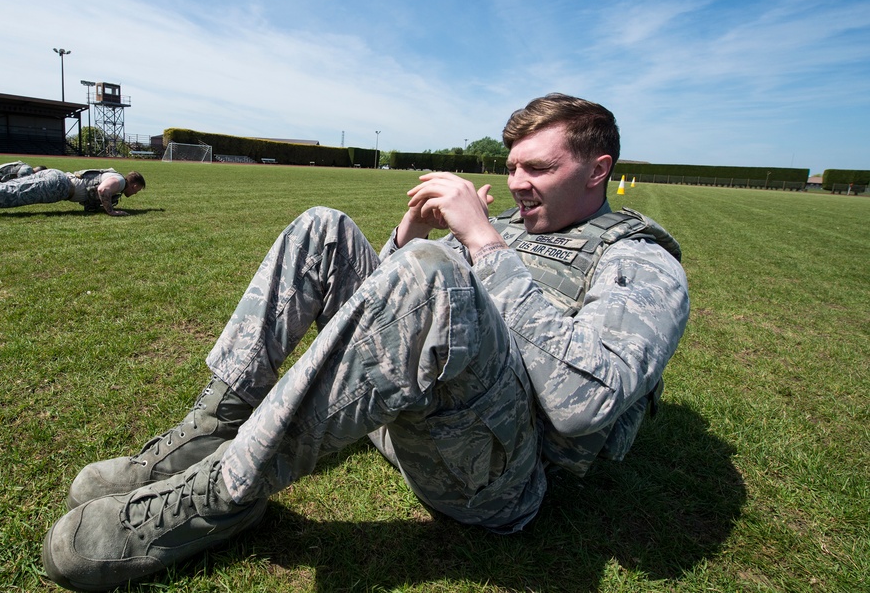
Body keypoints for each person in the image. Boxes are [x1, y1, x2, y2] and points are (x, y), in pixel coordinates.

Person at [41, 93, 690, 591]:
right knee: (323, 228)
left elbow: (581, 404)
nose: (517, 183)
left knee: (435, 271)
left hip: (495, 482)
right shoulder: (515, 228)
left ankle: (220, 498)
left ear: (598, 168)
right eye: (513, 165)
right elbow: (387, 301)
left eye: (539, 168)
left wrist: (483, 244)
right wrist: (410, 232)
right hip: (411, 420)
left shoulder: (638, 261)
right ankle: (210, 430)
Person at [0, 168, 145, 218]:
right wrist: (111, 212)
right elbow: (102, 189)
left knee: (5, 190)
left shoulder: (114, 178)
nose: (134, 195)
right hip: (58, 185)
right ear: (134, 185)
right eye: (138, 191)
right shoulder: (118, 180)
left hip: (57, 179)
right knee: (5, 194)